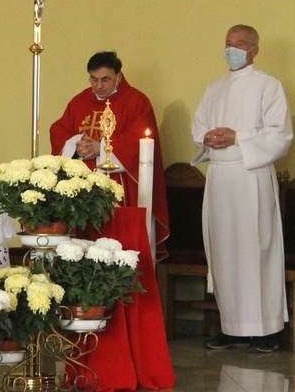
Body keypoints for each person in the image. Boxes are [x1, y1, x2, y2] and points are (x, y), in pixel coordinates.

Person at [192, 24, 292, 353]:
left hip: (251, 176)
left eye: (240, 44)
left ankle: (266, 331)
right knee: (224, 251)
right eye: (228, 43)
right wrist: (207, 138)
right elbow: (200, 126)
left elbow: (281, 135)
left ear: (254, 50)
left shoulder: (268, 86)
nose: (232, 49)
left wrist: (238, 137)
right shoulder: (215, 88)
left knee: (255, 249)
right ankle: (232, 327)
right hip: (220, 178)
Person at [49, 51, 170, 259]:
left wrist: (102, 147)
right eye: (93, 80)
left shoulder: (136, 101)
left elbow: (139, 140)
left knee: (122, 249)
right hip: (83, 187)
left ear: (119, 77)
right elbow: (58, 130)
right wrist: (77, 145)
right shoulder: (79, 102)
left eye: (105, 80)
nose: (98, 86)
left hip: (122, 188)